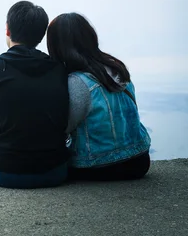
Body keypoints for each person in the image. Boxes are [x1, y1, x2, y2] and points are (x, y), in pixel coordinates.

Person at [0, 1, 70, 188]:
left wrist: (6, 155)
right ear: (41, 36)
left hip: (7, 173)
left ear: (7, 30)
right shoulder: (58, 69)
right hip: (56, 171)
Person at [47, 12, 151, 181]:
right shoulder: (117, 69)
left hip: (98, 167)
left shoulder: (77, 83)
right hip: (139, 160)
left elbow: (63, 127)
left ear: (57, 46)